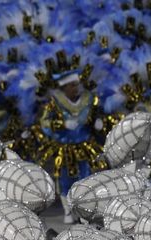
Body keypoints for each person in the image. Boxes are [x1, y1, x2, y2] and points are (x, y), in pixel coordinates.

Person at [35, 59, 104, 224]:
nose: (76, 87)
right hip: (64, 148)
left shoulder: (88, 99)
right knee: (65, 178)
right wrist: (61, 124)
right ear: (64, 87)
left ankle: (84, 210)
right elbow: (44, 123)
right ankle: (68, 210)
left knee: (85, 177)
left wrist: (99, 122)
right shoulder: (54, 103)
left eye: (77, 84)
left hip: (84, 146)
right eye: (72, 85)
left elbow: (97, 114)